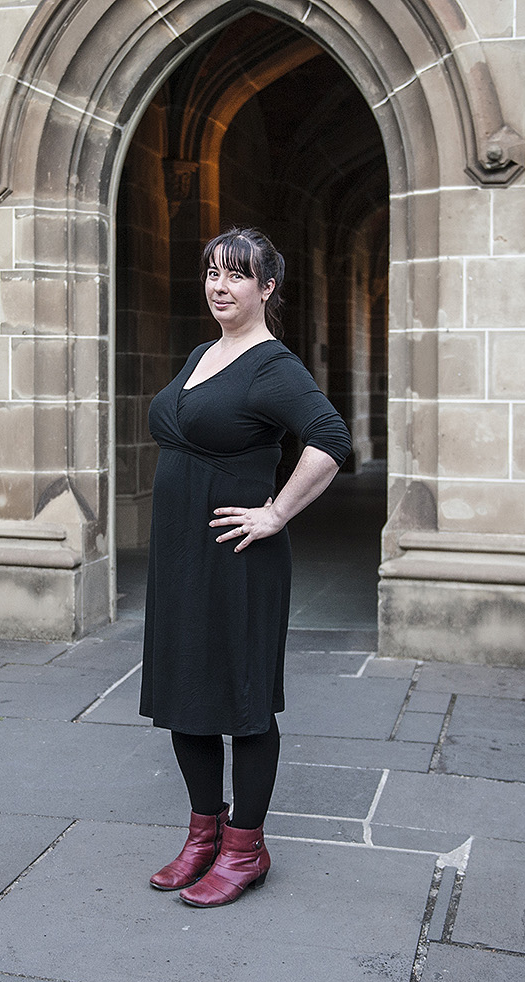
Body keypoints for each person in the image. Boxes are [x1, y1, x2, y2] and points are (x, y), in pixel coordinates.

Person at [140, 226, 351, 908]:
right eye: (211, 272)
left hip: (239, 561)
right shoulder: (205, 351)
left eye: (236, 275)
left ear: (266, 288)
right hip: (181, 556)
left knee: (243, 703)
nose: (218, 286)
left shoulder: (273, 366)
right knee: (185, 696)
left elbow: (330, 440)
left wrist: (276, 513)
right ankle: (204, 836)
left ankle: (245, 847)